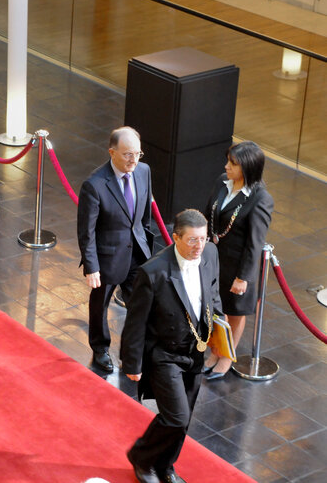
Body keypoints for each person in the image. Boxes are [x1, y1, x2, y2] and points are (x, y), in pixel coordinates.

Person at [121, 209, 224, 483]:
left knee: (184, 419)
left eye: (202, 239)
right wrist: (132, 363)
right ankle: (141, 458)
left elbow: (212, 293)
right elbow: (136, 322)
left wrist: (220, 329)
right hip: (164, 355)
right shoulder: (153, 272)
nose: (199, 246)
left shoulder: (210, 255)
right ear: (175, 237)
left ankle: (165, 466)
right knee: (176, 417)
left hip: (196, 352)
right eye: (192, 240)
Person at [77, 126, 152, 372]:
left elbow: (144, 218)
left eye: (138, 154)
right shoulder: (95, 184)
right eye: (128, 154)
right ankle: (100, 349)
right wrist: (92, 267)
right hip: (107, 258)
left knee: (140, 305)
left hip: (137, 254)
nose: (133, 160)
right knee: (100, 306)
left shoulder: (144, 171)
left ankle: (132, 351)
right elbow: (86, 231)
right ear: (112, 152)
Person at [202, 141, 273, 380]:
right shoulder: (223, 181)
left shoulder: (260, 198)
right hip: (215, 259)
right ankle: (214, 351)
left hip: (238, 265)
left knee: (234, 313)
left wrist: (243, 277)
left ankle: (225, 357)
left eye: (233, 163)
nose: (227, 166)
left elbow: (255, 242)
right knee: (215, 309)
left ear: (248, 168)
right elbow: (208, 213)